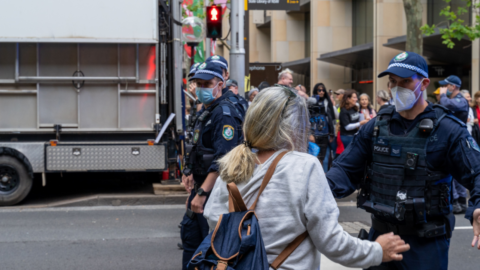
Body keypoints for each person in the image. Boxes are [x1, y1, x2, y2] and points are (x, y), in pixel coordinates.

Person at [203, 87, 410, 270]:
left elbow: (213, 219)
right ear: (295, 125)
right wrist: (376, 251)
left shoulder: (234, 162)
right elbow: (331, 242)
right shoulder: (305, 166)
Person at [327, 51, 480, 270]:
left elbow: (476, 171)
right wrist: (316, 189)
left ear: (424, 83)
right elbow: (344, 169)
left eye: (406, 81)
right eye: (392, 82)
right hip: (381, 239)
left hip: (425, 245)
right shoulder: (377, 126)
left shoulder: (447, 129)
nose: (397, 87)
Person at [180, 61, 243, 270]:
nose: (201, 88)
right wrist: (188, 171)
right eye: (198, 83)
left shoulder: (224, 113)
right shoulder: (207, 110)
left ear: (220, 83)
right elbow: (198, 146)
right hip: (200, 186)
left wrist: (203, 193)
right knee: (190, 238)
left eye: (207, 83)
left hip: (213, 192)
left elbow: (223, 159)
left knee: (210, 250)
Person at [312, 83, 337, 172]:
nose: (321, 92)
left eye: (323, 90)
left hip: (325, 133)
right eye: (319, 90)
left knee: (323, 157)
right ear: (316, 91)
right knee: (314, 155)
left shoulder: (327, 101)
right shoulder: (312, 101)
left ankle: (323, 175)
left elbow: (332, 118)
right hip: (314, 133)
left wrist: (331, 133)